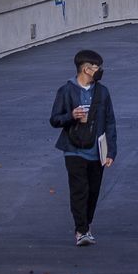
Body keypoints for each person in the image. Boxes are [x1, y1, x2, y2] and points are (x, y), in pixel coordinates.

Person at [49, 48, 118, 246]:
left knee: (93, 190)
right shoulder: (66, 90)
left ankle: (86, 224)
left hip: (97, 149)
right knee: (79, 189)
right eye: (97, 67)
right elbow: (54, 119)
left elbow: (110, 121)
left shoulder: (102, 92)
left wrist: (111, 150)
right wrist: (72, 115)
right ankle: (81, 230)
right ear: (86, 69)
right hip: (73, 148)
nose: (100, 70)